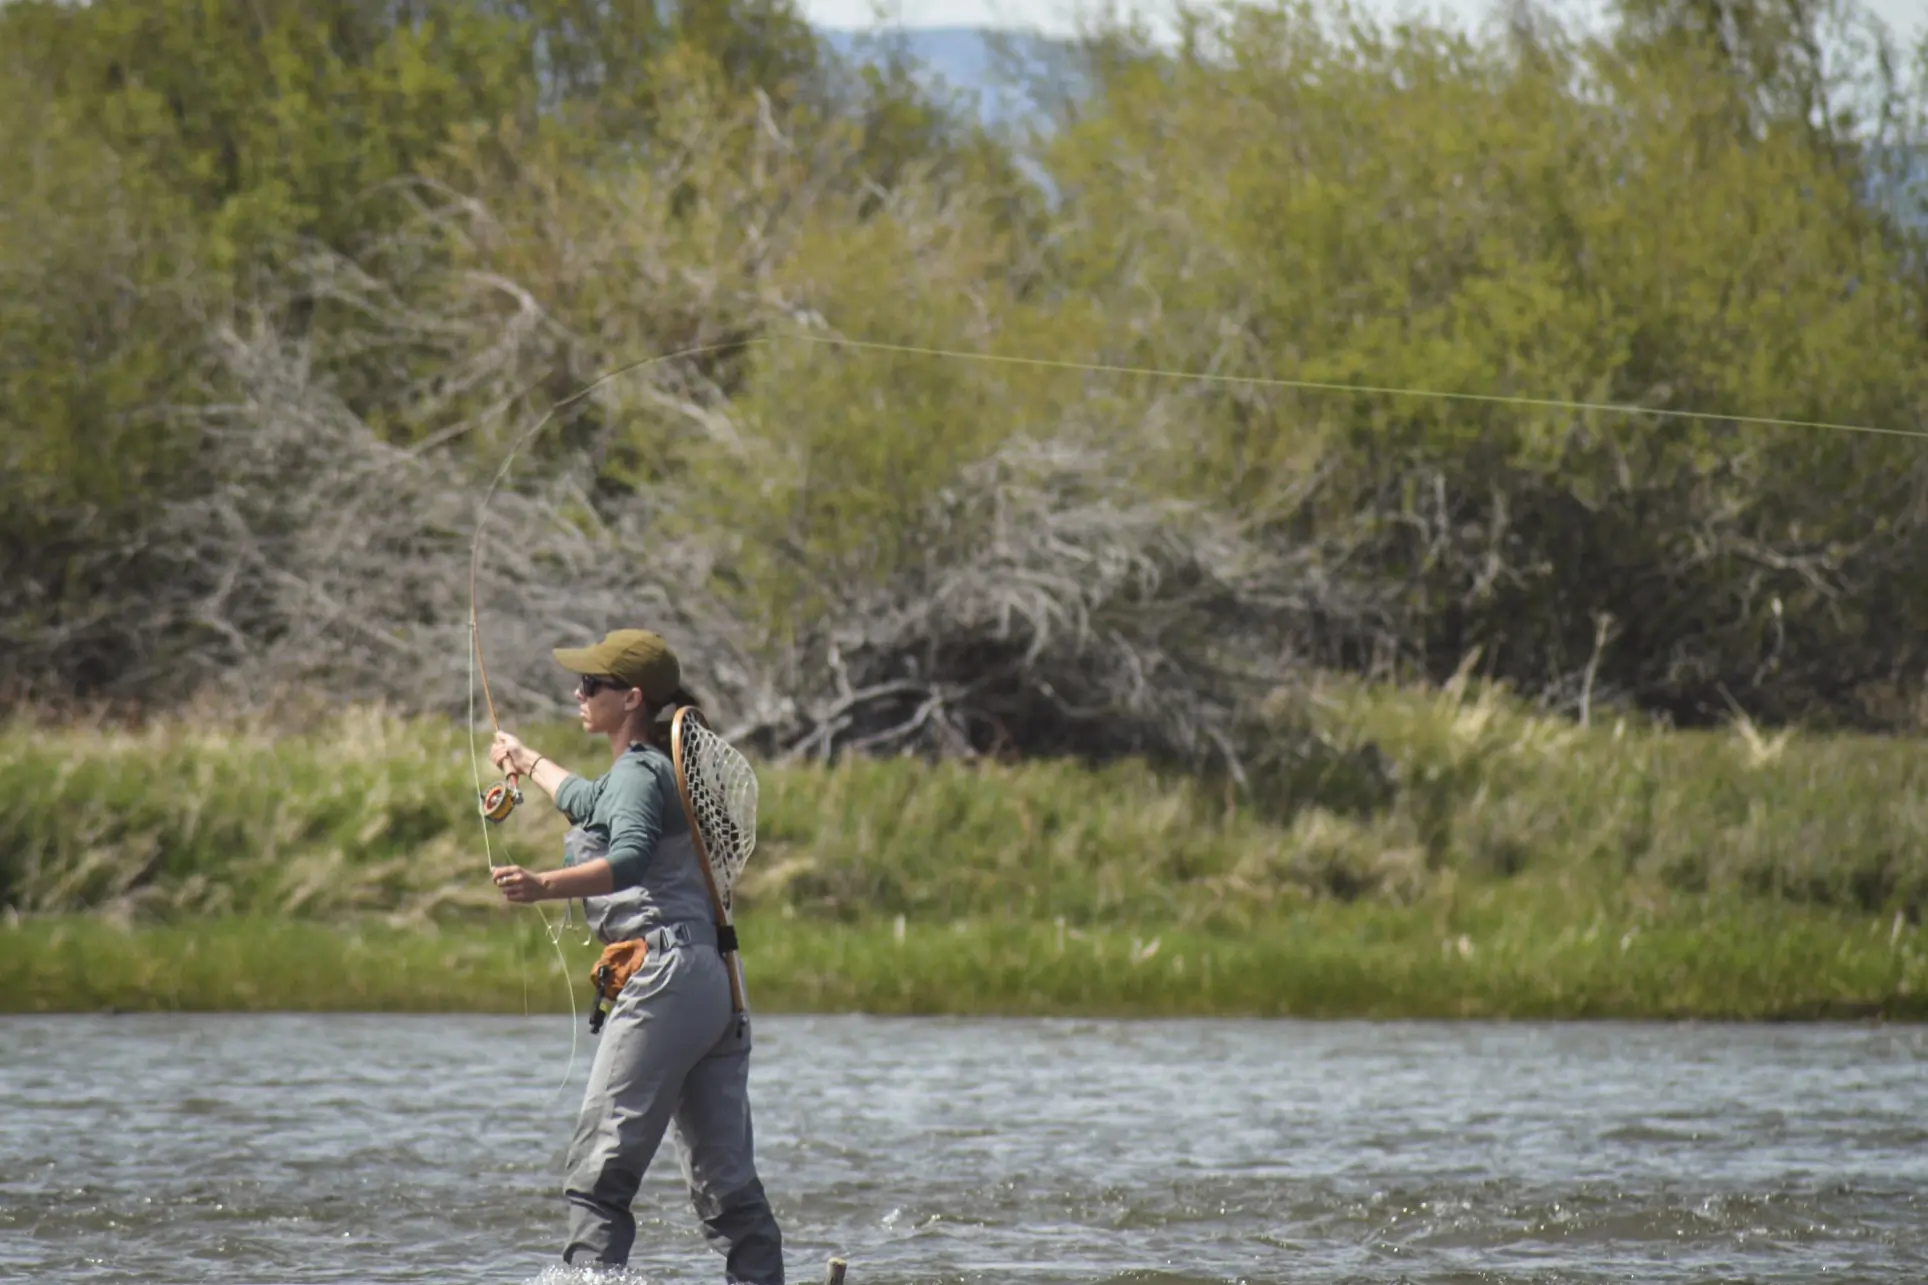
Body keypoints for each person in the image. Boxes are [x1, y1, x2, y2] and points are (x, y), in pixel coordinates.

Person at [486, 627, 785, 1283]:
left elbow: (625, 860)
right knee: (725, 1184)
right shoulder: (656, 768)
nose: (578, 692)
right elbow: (590, 801)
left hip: (663, 980)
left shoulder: (638, 774)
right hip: (716, 982)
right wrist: (527, 760)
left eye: (592, 684)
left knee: (600, 1170)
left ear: (632, 698)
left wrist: (542, 886)